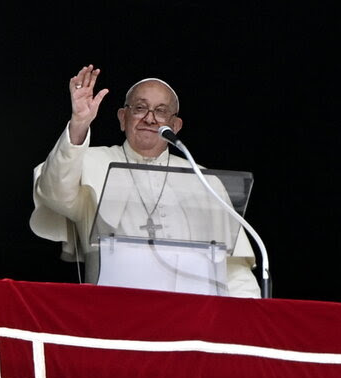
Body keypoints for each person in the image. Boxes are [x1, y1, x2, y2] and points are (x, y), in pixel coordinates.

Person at [30, 64, 261, 297]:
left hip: (191, 318)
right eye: (140, 108)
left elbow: (233, 270)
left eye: (161, 111)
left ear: (175, 126)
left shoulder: (204, 179)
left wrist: (250, 321)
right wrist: (79, 123)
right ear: (123, 118)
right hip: (113, 313)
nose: (150, 119)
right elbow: (54, 192)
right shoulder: (89, 162)